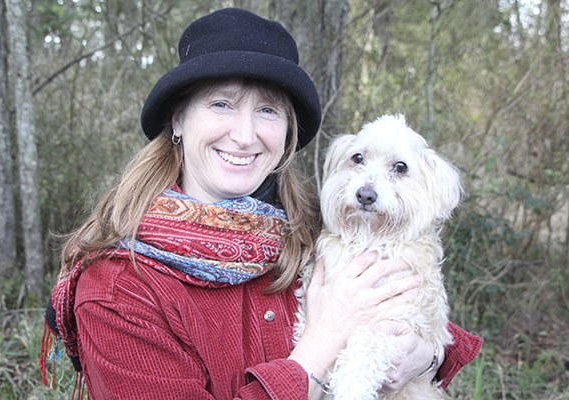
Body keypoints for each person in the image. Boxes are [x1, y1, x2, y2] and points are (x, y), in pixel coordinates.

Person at [41, 8, 482, 399]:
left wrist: (421, 356)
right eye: (221, 104)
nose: (245, 134)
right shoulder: (119, 287)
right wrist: (324, 340)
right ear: (178, 118)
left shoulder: (314, 228)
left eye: (268, 110)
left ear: (287, 132)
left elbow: (429, 330)